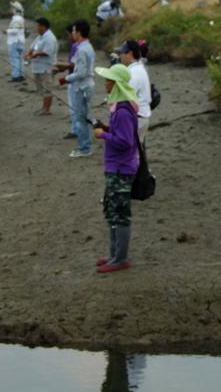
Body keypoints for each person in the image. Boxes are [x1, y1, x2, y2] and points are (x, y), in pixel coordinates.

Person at [92, 63, 139, 273]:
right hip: (116, 168)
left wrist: (103, 135)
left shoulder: (123, 111)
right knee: (111, 212)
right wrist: (108, 129)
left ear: (116, 84)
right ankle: (114, 255)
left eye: (109, 80)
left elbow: (126, 142)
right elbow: (122, 135)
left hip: (121, 169)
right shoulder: (121, 109)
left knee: (120, 214)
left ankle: (120, 259)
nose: (106, 83)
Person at [58, 20, 95, 157]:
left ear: (79, 32)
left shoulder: (82, 49)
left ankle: (84, 148)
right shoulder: (87, 47)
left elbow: (81, 73)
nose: (72, 33)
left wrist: (65, 79)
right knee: (84, 117)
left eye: (73, 31)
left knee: (80, 119)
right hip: (85, 86)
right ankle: (85, 146)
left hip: (82, 88)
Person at [115, 40, 151, 143]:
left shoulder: (133, 72)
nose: (120, 56)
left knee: (130, 154)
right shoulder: (138, 68)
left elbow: (125, 97)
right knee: (136, 152)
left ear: (129, 54)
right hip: (141, 116)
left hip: (137, 118)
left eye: (121, 53)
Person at [25, 17, 57, 115]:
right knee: (41, 89)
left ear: (43, 26)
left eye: (38, 26)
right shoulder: (40, 37)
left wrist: (36, 54)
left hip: (46, 68)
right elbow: (33, 47)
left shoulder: (50, 37)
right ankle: (44, 107)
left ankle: (46, 109)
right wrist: (28, 54)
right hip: (37, 67)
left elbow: (48, 52)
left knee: (47, 89)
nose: (37, 27)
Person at [2, 1, 26, 82]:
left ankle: (16, 76)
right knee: (20, 59)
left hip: (14, 42)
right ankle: (21, 75)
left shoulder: (16, 19)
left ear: (15, 10)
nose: (11, 9)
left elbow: (15, 31)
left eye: (12, 8)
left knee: (14, 59)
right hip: (20, 41)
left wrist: (6, 31)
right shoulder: (21, 18)